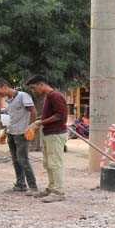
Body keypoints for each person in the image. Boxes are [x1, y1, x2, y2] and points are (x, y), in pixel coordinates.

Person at [0, 78, 38, 194]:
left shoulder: (22, 96)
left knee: (23, 160)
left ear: (4, 86)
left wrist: (31, 127)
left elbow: (33, 111)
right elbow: (13, 118)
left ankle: (33, 187)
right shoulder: (8, 101)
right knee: (16, 160)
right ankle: (20, 185)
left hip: (22, 133)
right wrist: (5, 132)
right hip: (12, 133)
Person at [26, 75, 68, 203]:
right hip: (48, 133)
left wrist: (40, 123)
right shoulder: (48, 96)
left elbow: (60, 115)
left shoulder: (55, 95)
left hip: (56, 133)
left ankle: (59, 191)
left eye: (33, 88)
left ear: (41, 84)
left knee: (55, 163)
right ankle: (51, 188)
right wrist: (40, 122)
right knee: (48, 163)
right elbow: (52, 115)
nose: (33, 91)